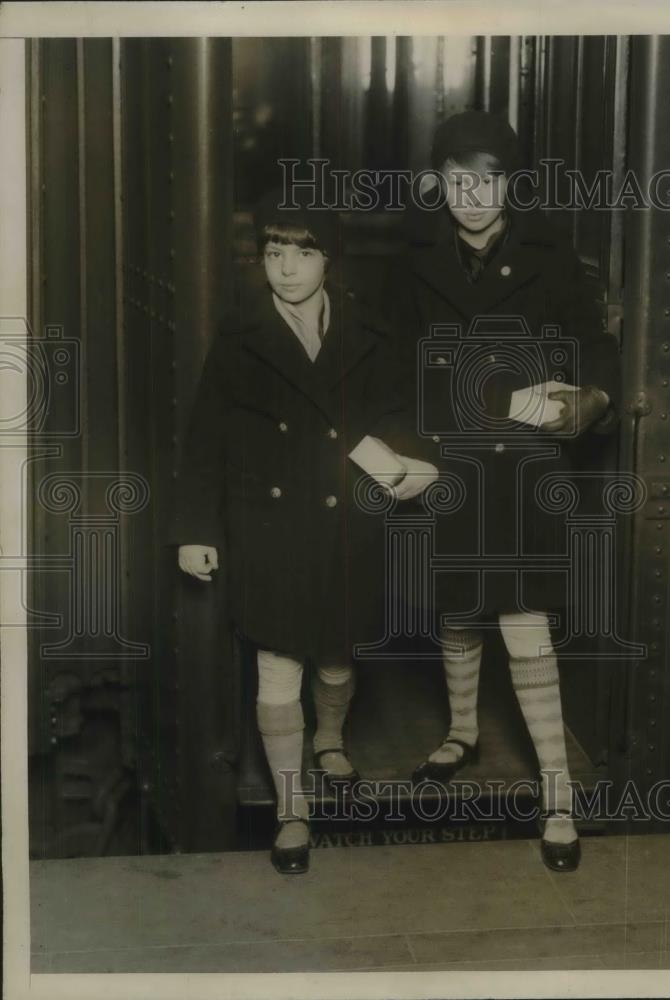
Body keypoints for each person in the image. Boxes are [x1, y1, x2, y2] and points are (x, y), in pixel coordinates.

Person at [173, 187, 438, 874]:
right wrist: (195, 529)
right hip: (268, 521)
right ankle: (293, 809)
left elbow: (396, 414)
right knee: (278, 661)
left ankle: (330, 735)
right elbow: (203, 440)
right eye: (272, 251)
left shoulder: (367, 330)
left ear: (330, 260)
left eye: (303, 251)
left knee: (337, 652)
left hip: (348, 514)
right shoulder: (239, 336)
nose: (286, 267)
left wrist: (405, 458)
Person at [393, 111, 621, 872]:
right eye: (457, 180)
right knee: (458, 605)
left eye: (486, 180)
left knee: (524, 619)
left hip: (524, 464)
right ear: (439, 182)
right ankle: (461, 732)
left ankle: (557, 793)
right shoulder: (414, 255)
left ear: (510, 184)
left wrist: (589, 400)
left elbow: (596, 348)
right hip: (449, 460)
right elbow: (391, 362)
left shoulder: (551, 255)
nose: (471, 195)